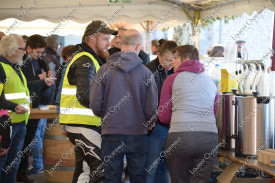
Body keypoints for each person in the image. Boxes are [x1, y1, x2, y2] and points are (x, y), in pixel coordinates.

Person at [90, 29, 158, 183]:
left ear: (121, 43)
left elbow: (95, 104)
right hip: (138, 133)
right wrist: (148, 122)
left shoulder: (103, 70)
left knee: (112, 177)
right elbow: (151, 109)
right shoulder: (146, 73)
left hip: (111, 131)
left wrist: (108, 116)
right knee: (138, 176)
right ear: (138, 45)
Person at [59, 20, 117, 183]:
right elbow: (85, 95)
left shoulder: (90, 58)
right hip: (83, 126)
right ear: (92, 38)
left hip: (84, 125)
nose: (109, 43)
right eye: (105, 39)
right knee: (102, 171)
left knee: (85, 171)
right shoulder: (86, 60)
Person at [159, 45, 219, 183]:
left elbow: (163, 116)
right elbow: (213, 116)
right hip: (209, 139)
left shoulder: (171, 79)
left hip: (180, 138)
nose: (171, 61)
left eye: (175, 58)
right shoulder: (211, 82)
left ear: (185, 59)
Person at [0, 34, 54, 183]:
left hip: (19, 122)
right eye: (22, 49)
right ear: (11, 49)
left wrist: (44, 82)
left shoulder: (15, 67)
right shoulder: (1, 67)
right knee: (3, 163)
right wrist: (14, 107)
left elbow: (26, 88)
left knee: (13, 165)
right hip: (6, 124)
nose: (25, 53)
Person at [18, 34, 53, 182]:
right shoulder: (22, 62)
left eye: (41, 52)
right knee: (21, 142)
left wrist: (47, 81)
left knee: (29, 140)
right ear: (29, 48)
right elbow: (24, 84)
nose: (39, 55)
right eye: (37, 52)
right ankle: (19, 173)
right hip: (22, 107)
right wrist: (41, 80)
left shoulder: (40, 61)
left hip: (37, 106)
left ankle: (22, 172)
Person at [145, 40, 177, 183]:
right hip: (154, 126)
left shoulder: (171, 70)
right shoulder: (149, 71)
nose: (170, 63)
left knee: (164, 165)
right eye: (167, 60)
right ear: (158, 55)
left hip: (167, 124)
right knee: (150, 167)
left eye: (173, 60)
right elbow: (147, 101)